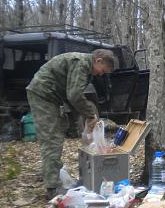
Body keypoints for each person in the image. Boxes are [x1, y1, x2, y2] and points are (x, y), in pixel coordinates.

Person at [26, 49, 115, 199]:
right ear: (98, 60)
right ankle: (52, 188)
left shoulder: (85, 66)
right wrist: (89, 114)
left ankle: (54, 174)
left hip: (51, 96)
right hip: (43, 95)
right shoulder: (81, 64)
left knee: (57, 134)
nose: (101, 74)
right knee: (52, 139)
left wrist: (82, 118)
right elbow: (74, 95)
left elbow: (71, 94)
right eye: (103, 70)